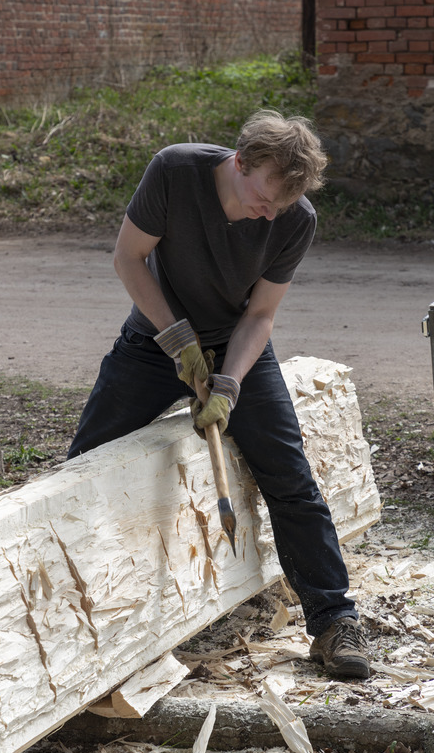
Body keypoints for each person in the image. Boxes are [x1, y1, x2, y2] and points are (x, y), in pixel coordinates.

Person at [68, 109, 369, 680]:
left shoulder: (294, 218)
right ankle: (72, 610)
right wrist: (177, 339)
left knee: (291, 478)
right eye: (263, 197)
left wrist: (228, 382)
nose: (269, 212)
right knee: (83, 467)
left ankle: (334, 620)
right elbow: (128, 259)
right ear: (240, 163)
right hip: (154, 338)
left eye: (280, 205)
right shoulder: (175, 172)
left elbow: (260, 315)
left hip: (236, 346)